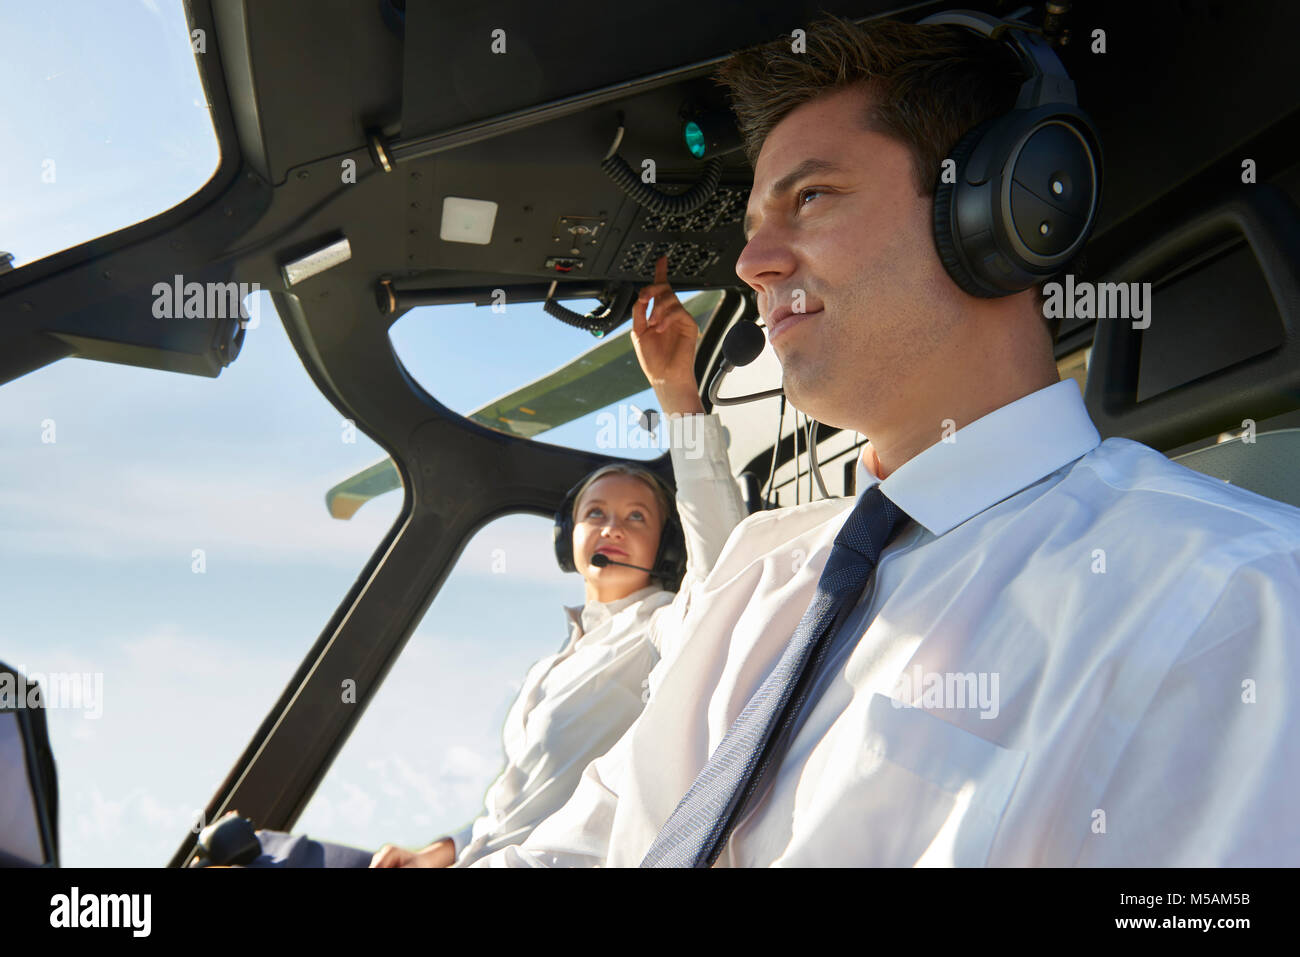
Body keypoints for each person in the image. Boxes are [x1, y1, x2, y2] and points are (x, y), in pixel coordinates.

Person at [469, 13, 1300, 867]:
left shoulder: (1238, 599)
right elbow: (580, 844)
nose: (752, 261)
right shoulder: (756, 575)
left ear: (997, 210)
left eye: (811, 197)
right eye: (755, 221)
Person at [367, 255, 747, 867]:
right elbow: (518, 804)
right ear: (568, 535)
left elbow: (727, 559)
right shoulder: (557, 659)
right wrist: (441, 850)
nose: (612, 528)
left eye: (636, 517)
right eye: (596, 513)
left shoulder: (665, 628)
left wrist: (676, 392)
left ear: (666, 549)